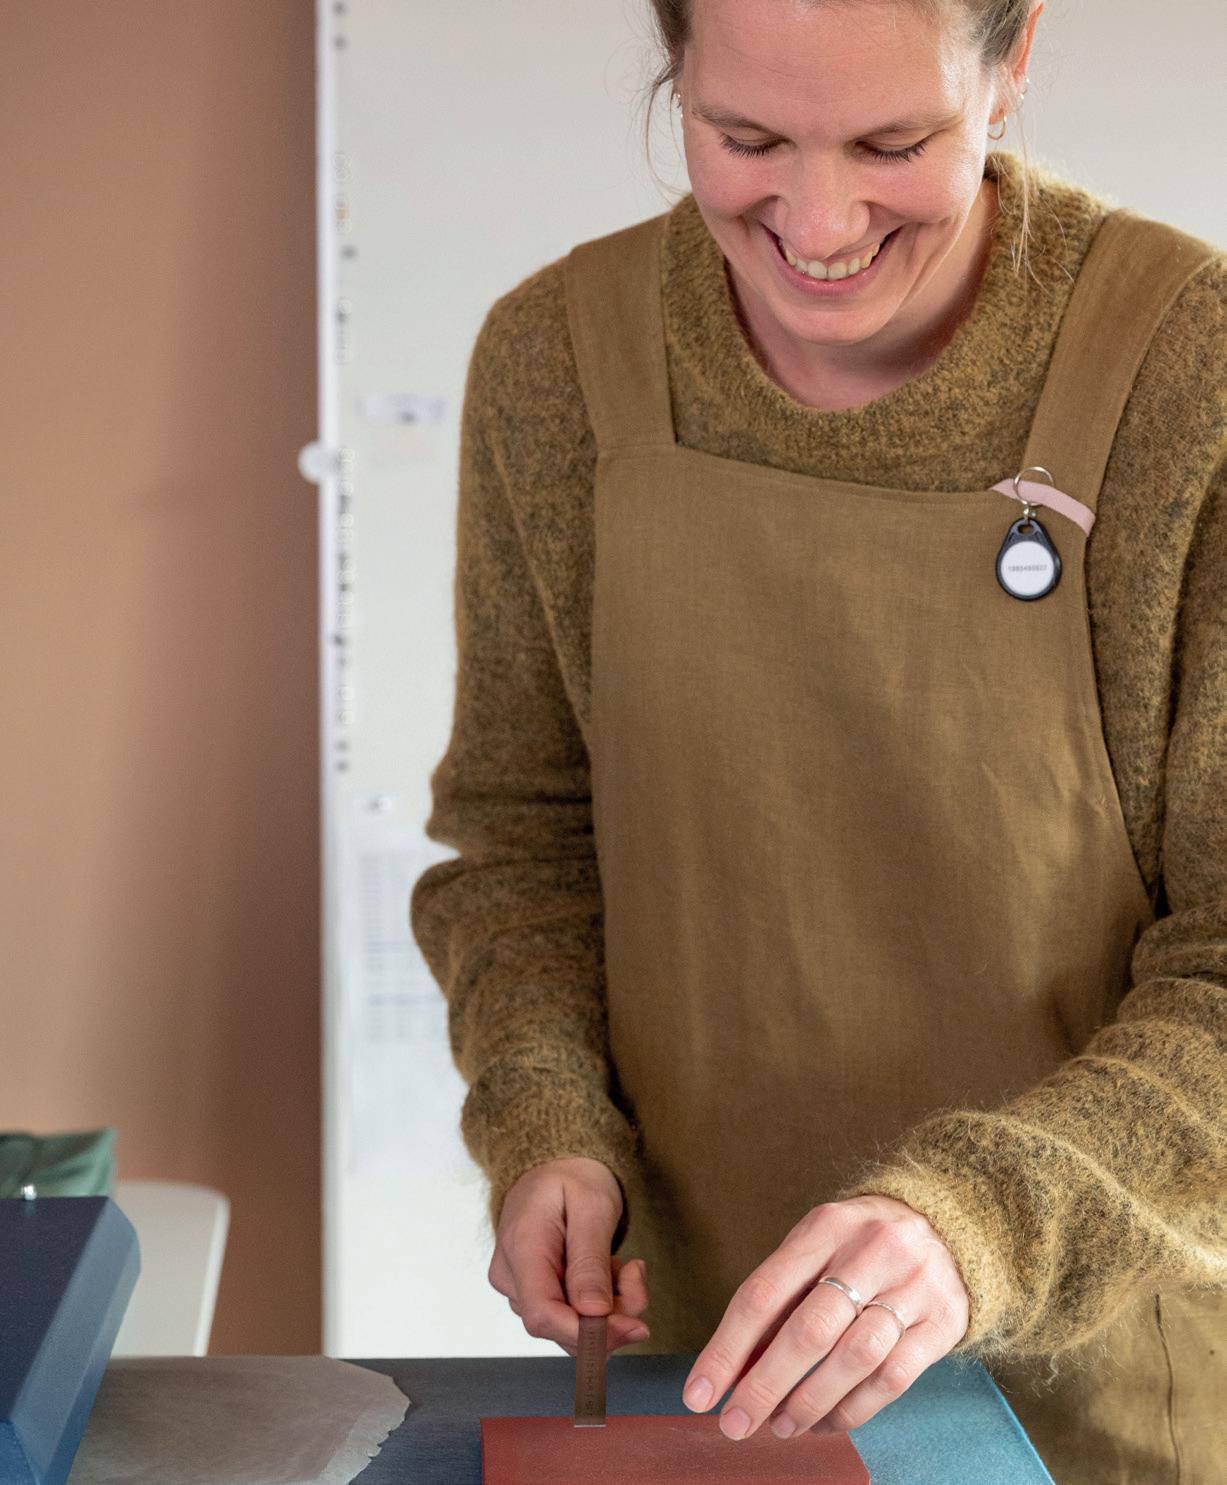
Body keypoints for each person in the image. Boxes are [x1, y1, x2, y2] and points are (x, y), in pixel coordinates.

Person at [410, 1, 1226, 1480]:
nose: (818, 219)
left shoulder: (1191, 373)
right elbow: (526, 842)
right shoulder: (559, 360)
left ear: (1011, 63)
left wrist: (974, 1224)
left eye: (893, 144)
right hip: (701, 1373)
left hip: (1104, 1395)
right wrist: (549, 1120)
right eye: (745, 139)